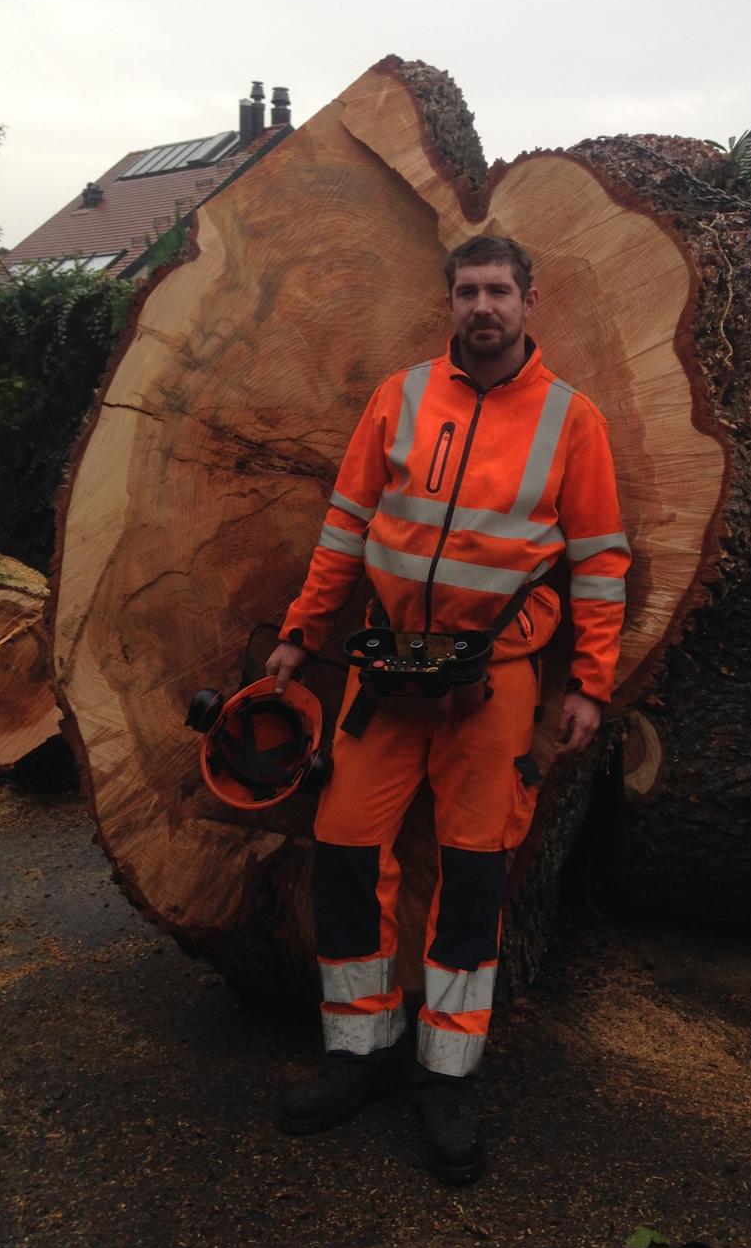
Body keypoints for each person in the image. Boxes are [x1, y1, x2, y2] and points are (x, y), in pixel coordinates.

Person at [266, 234, 629, 1184]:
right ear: (451, 302)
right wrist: (303, 631)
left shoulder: (570, 420)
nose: (482, 307)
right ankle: (359, 1049)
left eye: (498, 291)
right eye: (467, 290)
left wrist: (590, 681)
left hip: (496, 684)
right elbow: (345, 525)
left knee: (472, 878)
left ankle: (449, 1074)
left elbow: (598, 562)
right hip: (383, 673)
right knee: (345, 851)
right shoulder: (401, 396)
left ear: (529, 302)